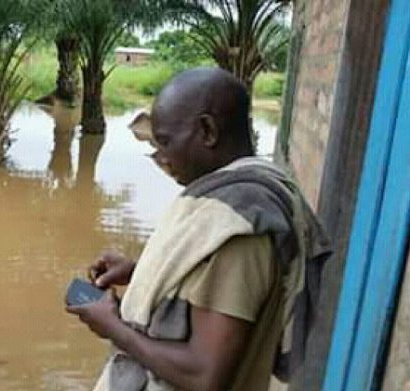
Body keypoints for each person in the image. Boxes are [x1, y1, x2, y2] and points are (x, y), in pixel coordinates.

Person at [66, 68, 331, 390]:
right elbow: (215, 292)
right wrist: (142, 274)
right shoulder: (244, 194)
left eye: (165, 141)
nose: (160, 156)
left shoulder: (239, 230)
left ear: (207, 131)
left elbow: (204, 374)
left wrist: (113, 326)